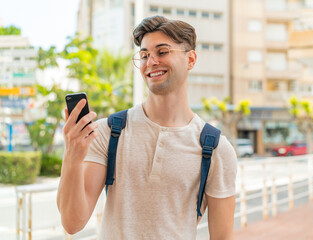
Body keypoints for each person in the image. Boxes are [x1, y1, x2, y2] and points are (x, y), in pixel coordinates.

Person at [57, 16, 237, 240]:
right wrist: (72, 157)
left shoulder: (216, 147)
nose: (150, 62)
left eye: (162, 52)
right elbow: (73, 223)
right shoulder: (109, 132)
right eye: (144, 55)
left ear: (190, 59)